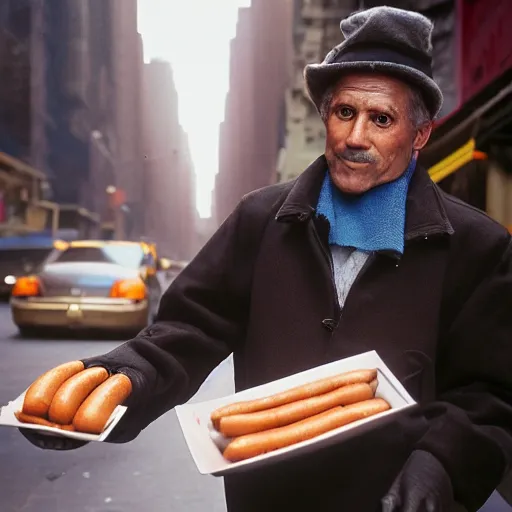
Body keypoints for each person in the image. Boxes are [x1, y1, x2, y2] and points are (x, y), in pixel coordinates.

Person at [20, 6, 512, 512]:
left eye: (381, 119)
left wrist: (442, 466)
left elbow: (490, 397)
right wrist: (118, 385)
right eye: (344, 112)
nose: (355, 137)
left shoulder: (477, 246)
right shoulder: (260, 220)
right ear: (326, 115)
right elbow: (186, 331)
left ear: (421, 135)